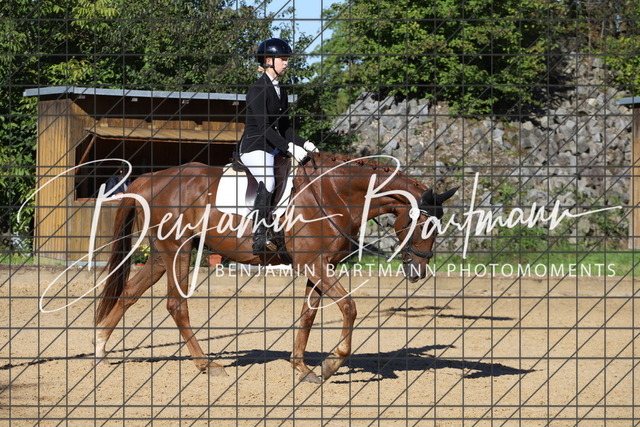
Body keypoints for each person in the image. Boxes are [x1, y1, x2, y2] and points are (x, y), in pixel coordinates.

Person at [238, 37, 318, 254]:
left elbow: (284, 128)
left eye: (286, 59)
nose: (286, 62)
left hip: (271, 147)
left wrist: (305, 143)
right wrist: (289, 148)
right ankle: (259, 235)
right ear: (268, 61)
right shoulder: (257, 89)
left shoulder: (280, 89)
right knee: (269, 180)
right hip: (254, 147)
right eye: (282, 59)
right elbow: (264, 128)